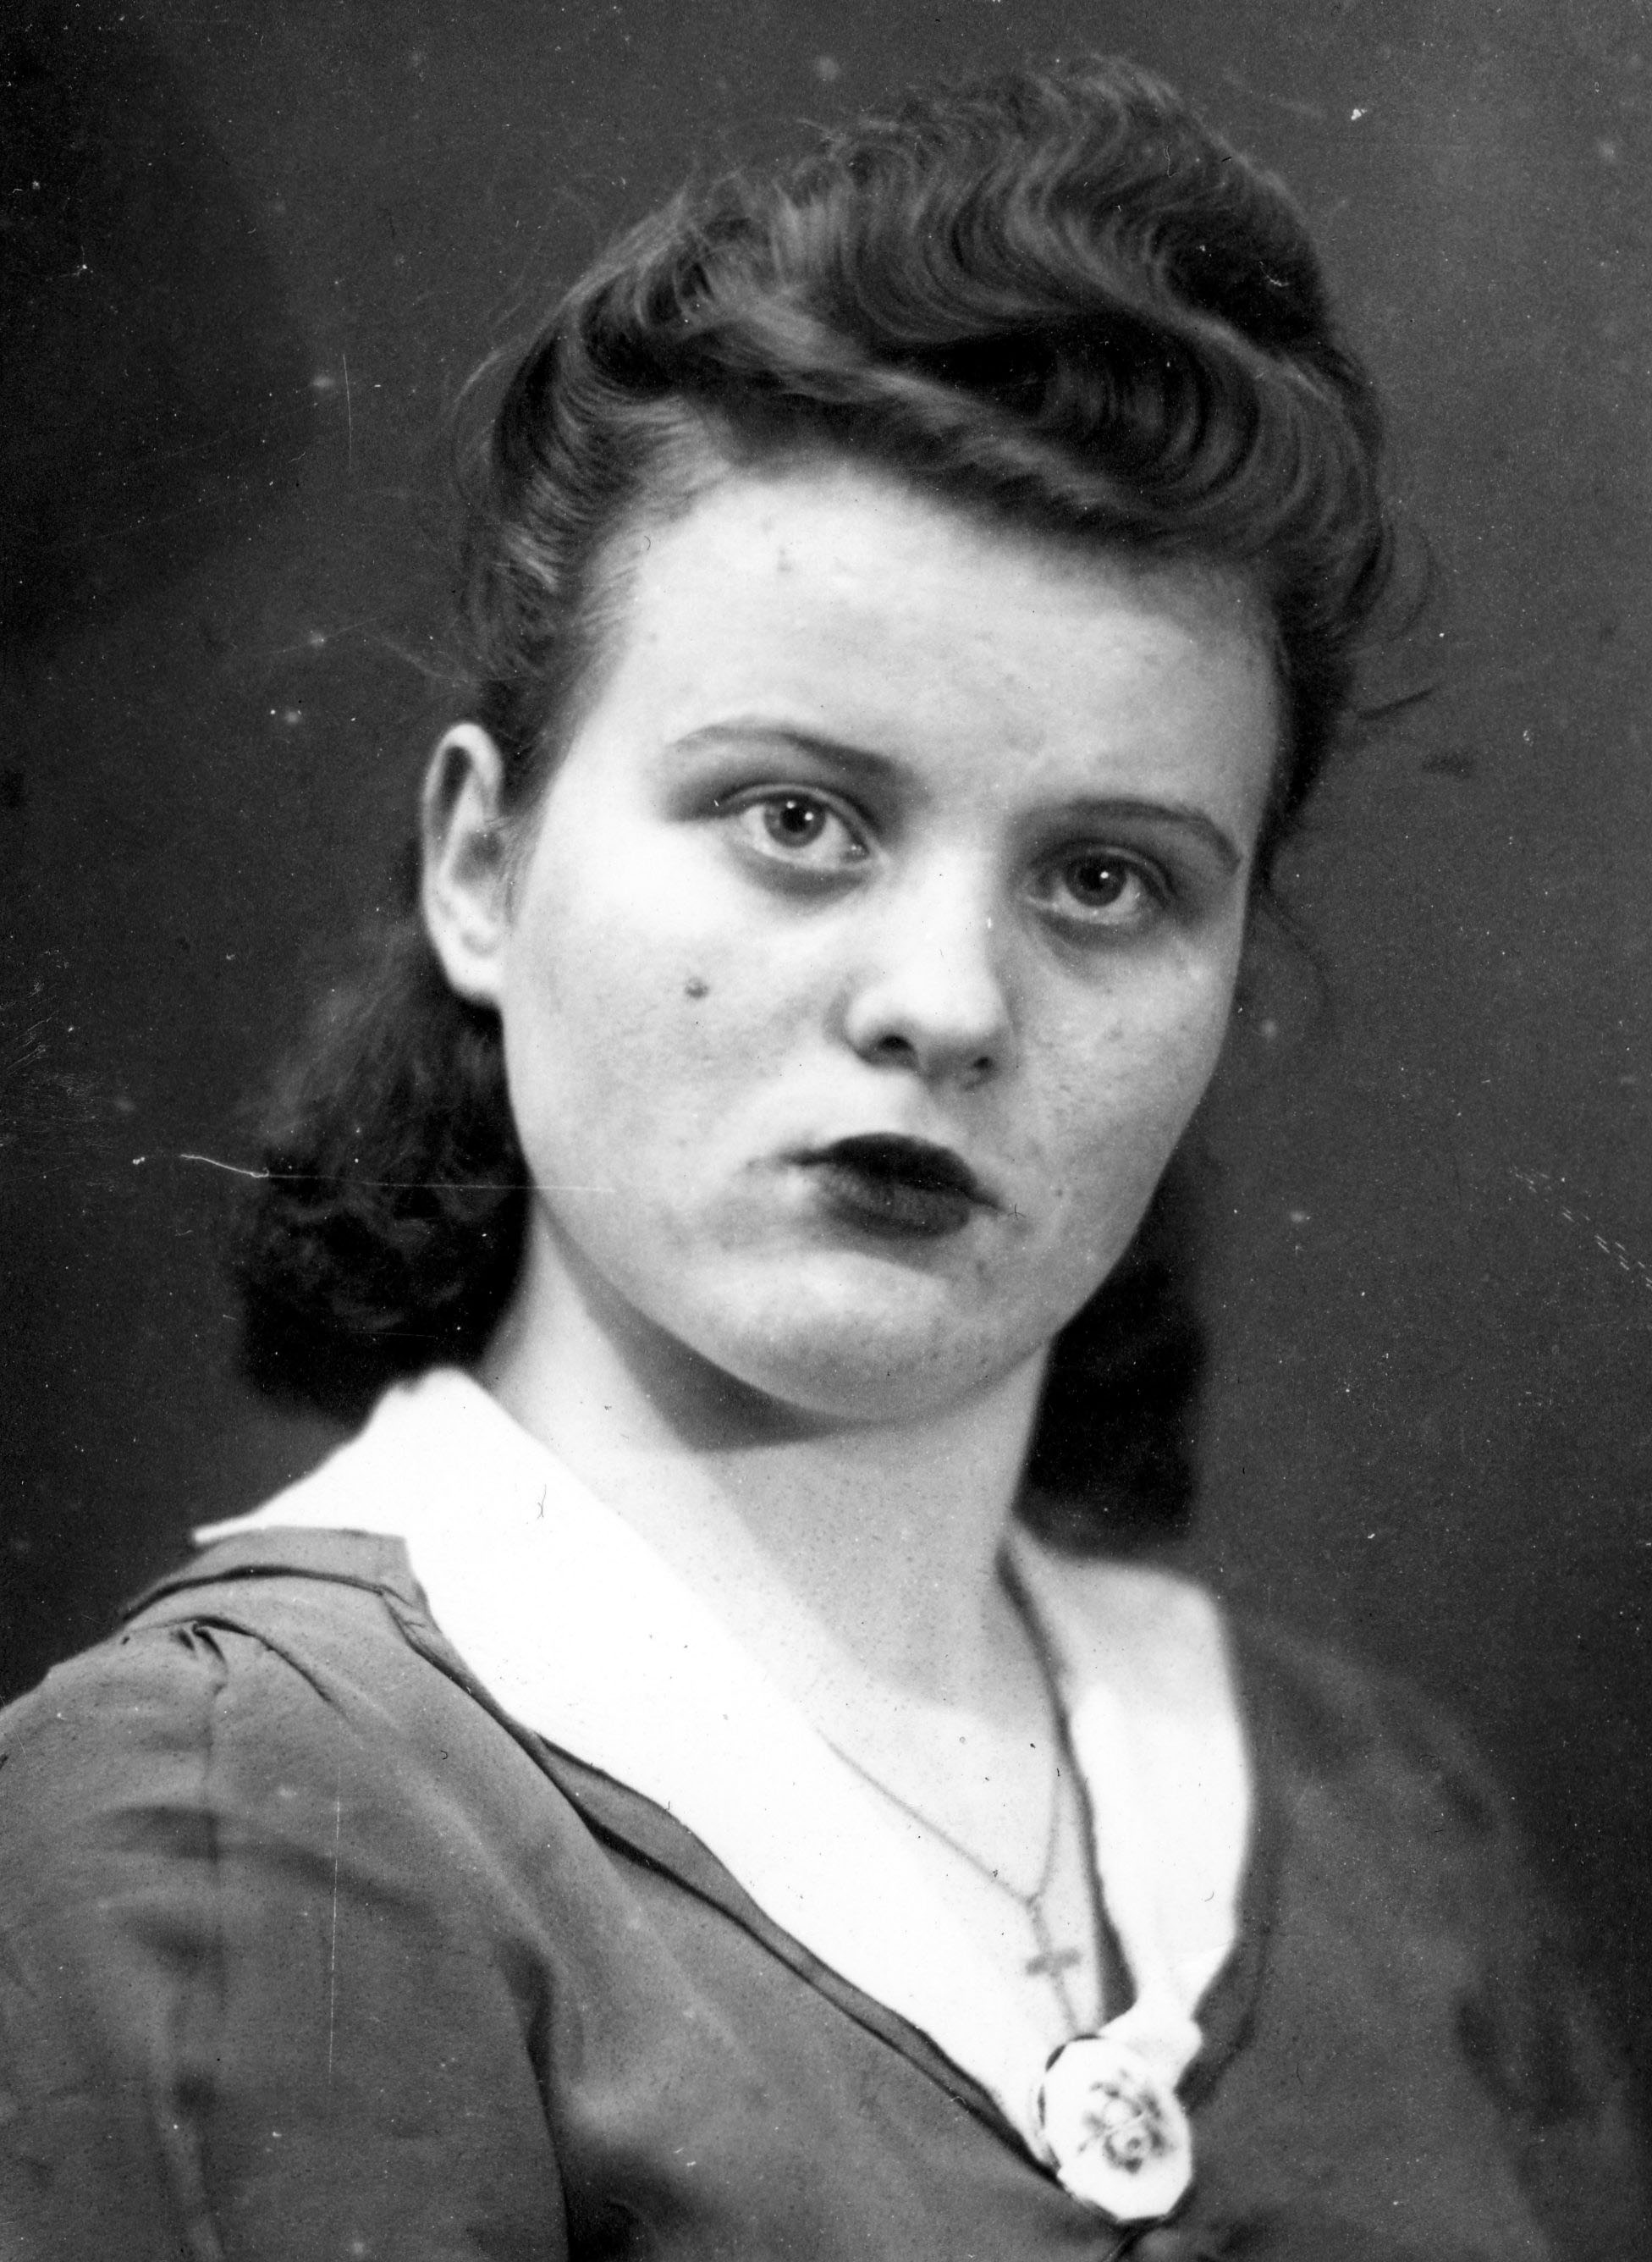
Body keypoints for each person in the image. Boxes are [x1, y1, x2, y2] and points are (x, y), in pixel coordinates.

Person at [0, 56, 1643, 2262]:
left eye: (1108, 880)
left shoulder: (1384, 1827)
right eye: (800, 819)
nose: (947, 1000)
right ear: (482, 867)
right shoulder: (230, 1829)